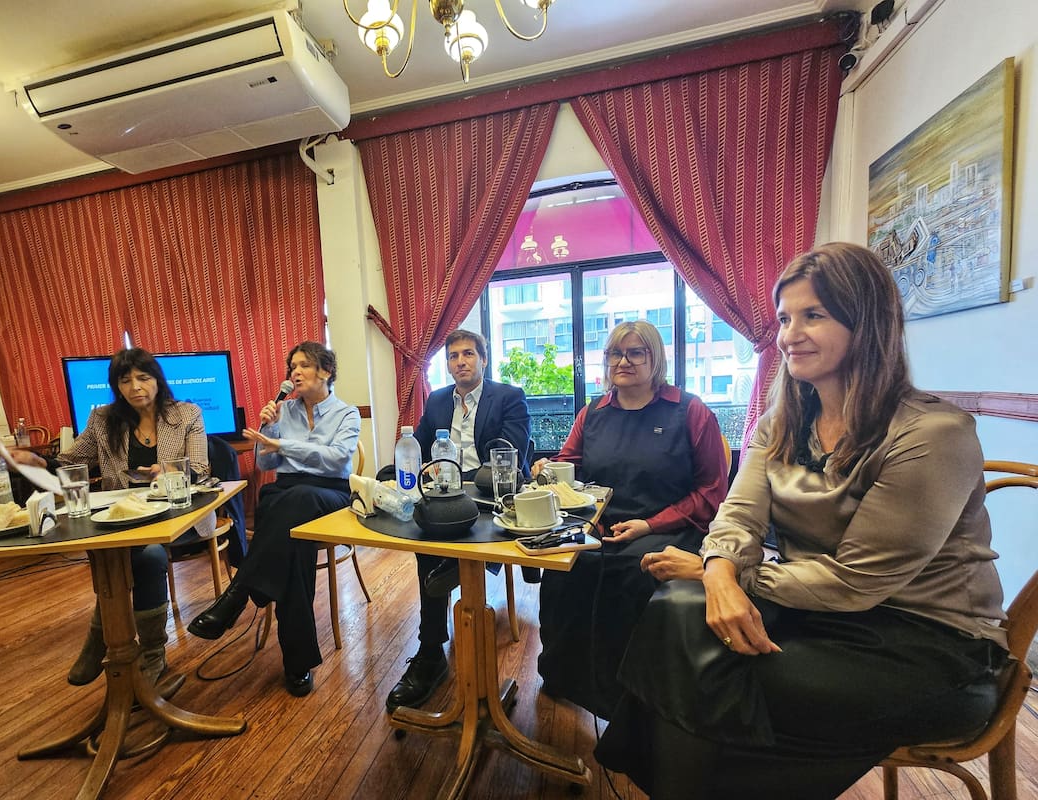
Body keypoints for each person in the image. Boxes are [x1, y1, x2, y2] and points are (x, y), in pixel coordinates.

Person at [596, 243, 1010, 799]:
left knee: (699, 665)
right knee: (675, 618)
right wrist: (717, 569)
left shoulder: (932, 434)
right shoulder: (783, 421)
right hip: (818, 615)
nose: (789, 334)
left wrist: (713, 574)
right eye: (785, 317)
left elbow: (853, 582)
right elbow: (737, 516)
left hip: (927, 645)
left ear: (867, 322)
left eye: (813, 315)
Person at [531, 320, 729, 719]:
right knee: (562, 568)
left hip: (667, 527)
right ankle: (564, 675)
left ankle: (626, 693)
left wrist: (651, 525)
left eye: (636, 352)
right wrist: (545, 468)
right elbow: (569, 464)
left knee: (633, 575)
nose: (623, 361)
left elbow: (711, 492)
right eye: (615, 354)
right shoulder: (593, 413)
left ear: (655, 359)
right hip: (600, 525)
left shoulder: (690, 412)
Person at [12, 347, 208, 686]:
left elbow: (201, 469)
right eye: (125, 380)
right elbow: (73, 461)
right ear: (116, 386)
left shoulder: (186, 413)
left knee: (146, 555)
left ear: (157, 380)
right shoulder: (103, 420)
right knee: (124, 551)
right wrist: (40, 462)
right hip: (121, 517)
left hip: (177, 515)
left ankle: (124, 647)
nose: (135, 387)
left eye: (143, 378)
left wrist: (169, 470)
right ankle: (124, 648)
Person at [187, 341, 360, 697]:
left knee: (297, 498)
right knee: (293, 549)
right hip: (286, 495)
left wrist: (284, 447)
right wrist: (272, 432)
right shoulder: (284, 411)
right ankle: (297, 662)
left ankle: (239, 592)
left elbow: (336, 459)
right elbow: (266, 466)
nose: (294, 373)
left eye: (304, 366)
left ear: (325, 371)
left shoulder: (347, 413)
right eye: (292, 367)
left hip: (329, 493)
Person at [385, 329, 531, 712]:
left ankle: (454, 575)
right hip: (443, 495)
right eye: (453, 356)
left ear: (483, 359)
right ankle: (431, 651)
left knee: (438, 540)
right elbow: (416, 448)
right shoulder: (435, 401)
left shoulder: (508, 397)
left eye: (469, 354)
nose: (461, 361)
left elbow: (507, 453)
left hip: (487, 497)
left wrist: (469, 484)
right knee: (423, 533)